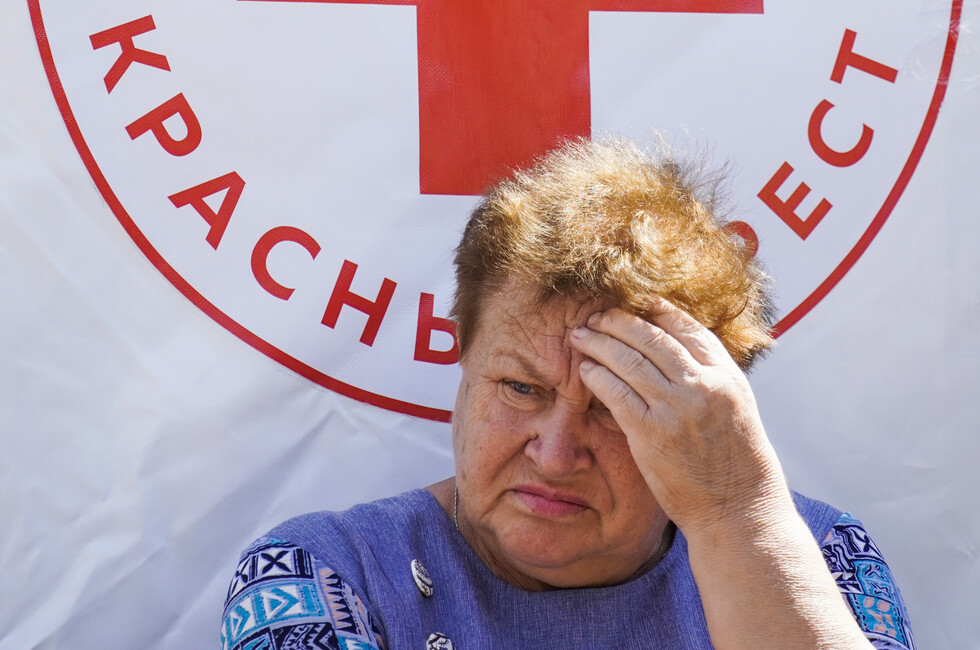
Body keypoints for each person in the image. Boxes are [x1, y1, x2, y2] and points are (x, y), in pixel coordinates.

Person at [220, 138, 913, 649]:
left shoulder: (824, 557)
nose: (555, 456)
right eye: (522, 388)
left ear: (708, 417)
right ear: (462, 363)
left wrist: (735, 514)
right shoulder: (321, 573)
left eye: (616, 407)